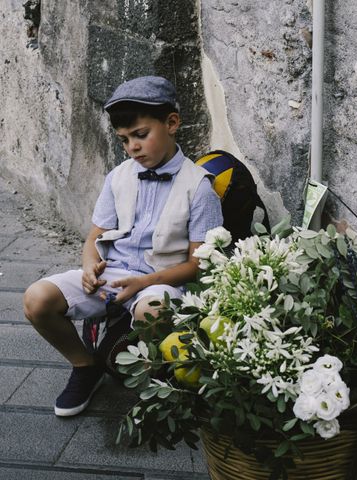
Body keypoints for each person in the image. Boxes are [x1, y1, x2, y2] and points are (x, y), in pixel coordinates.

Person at [23, 76, 222, 417]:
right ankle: (85, 365)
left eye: (141, 135)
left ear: (171, 123)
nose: (132, 147)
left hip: (161, 281)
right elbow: (95, 236)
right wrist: (89, 266)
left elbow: (200, 264)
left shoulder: (199, 188)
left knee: (151, 311)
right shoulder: (118, 177)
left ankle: (152, 371)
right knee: (36, 298)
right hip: (112, 275)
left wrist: (143, 283)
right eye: (124, 140)